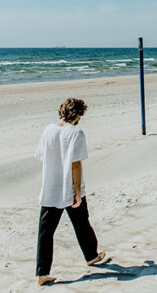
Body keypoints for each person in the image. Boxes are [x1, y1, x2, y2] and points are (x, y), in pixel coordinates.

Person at [34, 98, 107, 286]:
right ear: (79, 114)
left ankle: (43, 273)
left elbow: (42, 156)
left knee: (46, 231)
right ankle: (91, 256)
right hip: (69, 187)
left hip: (50, 187)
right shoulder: (76, 133)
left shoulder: (48, 130)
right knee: (82, 222)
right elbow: (76, 164)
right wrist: (76, 191)